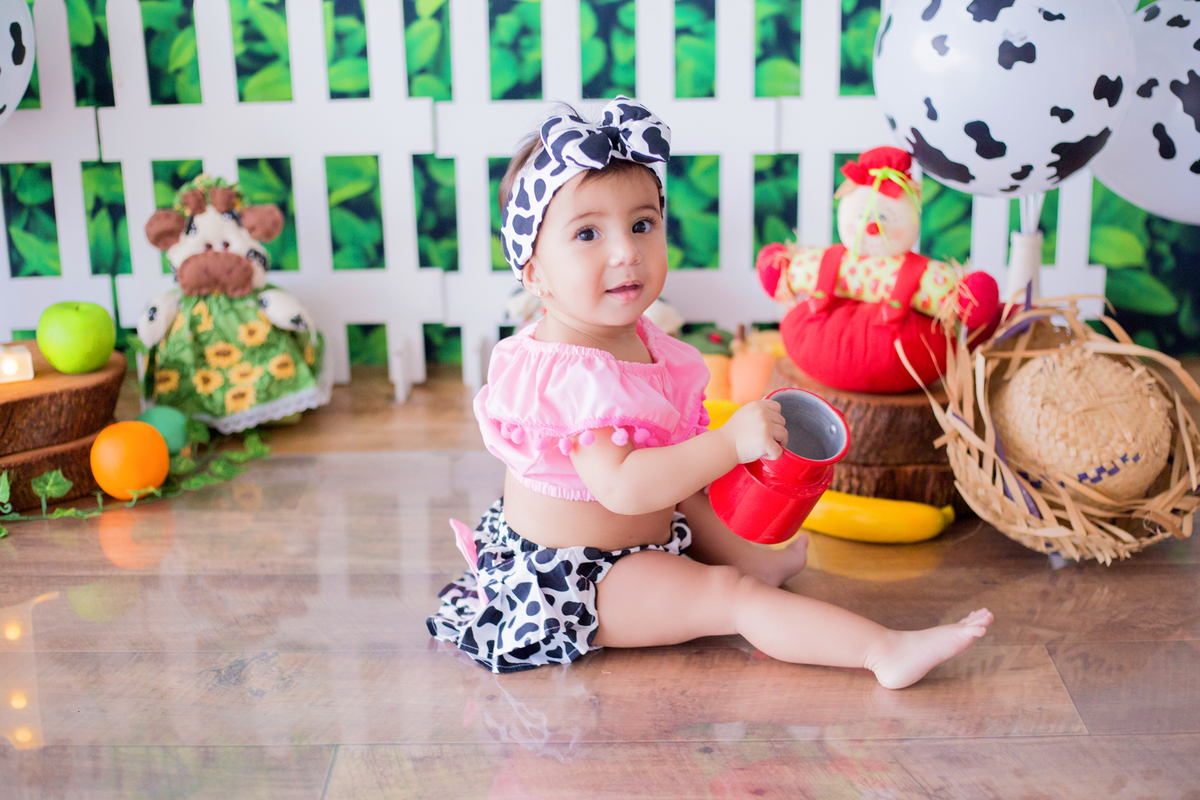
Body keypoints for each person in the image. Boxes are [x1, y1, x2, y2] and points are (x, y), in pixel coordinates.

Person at [427, 97, 992, 688]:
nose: (626, 251)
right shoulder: (574, 372)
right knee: (730, 596)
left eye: (642, 224)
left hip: (637, 536)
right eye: (588, 233)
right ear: (534, 269)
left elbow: (669, 480)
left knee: (692, 492)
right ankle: (882, 650)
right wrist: (729, 444)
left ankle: (755, 561)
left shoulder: (637, 340)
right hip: (583, 580)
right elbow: (623, 486)